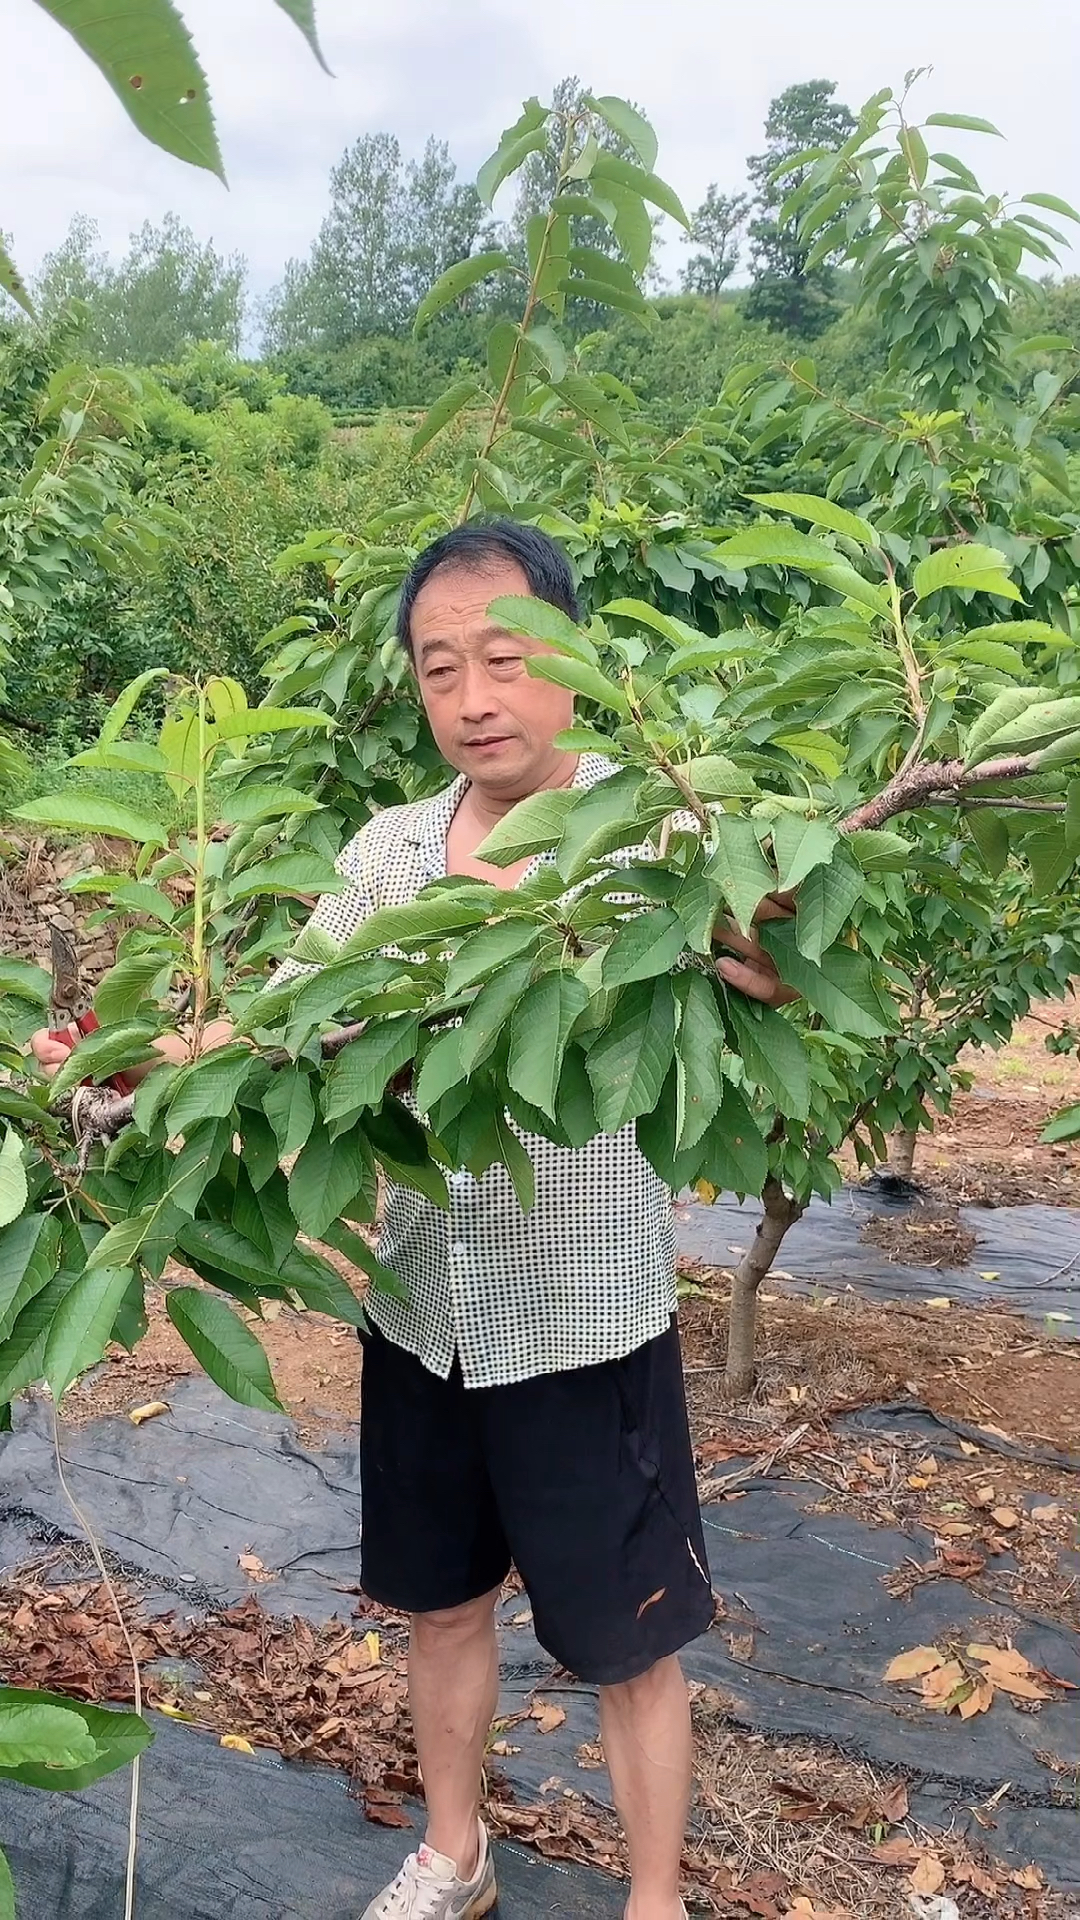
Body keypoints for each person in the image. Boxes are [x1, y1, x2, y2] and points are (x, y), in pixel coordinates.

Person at [33, 521, 796, 1920]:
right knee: (438, 1601)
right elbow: (289, 1025)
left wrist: (771, 927)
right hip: (425, 1308)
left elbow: (784, 968)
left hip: (582, 1318)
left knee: (627, 1638)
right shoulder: (392, 852)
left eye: (504, 659)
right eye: (440, 670)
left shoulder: (662, 830)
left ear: (573, 661)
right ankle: (455, 1852)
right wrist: (123, 1061)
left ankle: (655, 1900)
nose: (474, 698)